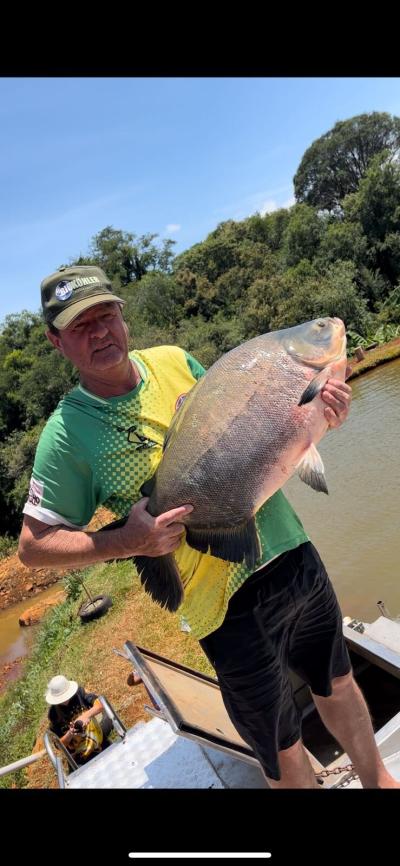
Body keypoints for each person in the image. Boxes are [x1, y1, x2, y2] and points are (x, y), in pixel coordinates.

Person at [19, 264, 399, 789]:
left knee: (338, 681)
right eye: (80, 325)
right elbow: (33, 547)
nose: (99, 331)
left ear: (123, 317)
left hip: (288, 551)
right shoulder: (65, 436)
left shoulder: (176, 361)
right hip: (218, 605)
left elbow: (261, 433)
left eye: (105, 314)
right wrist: (126, 541)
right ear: (55, 341)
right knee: (279, 740)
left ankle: (380, 781)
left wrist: (323, 418)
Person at [45, 674, 113, 764]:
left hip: (100, 742)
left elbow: (100, 705)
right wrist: (70, 733)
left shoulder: (80, 693)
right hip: (82, 758)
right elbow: (59, 745)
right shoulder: (53, 714)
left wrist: (85, 716)